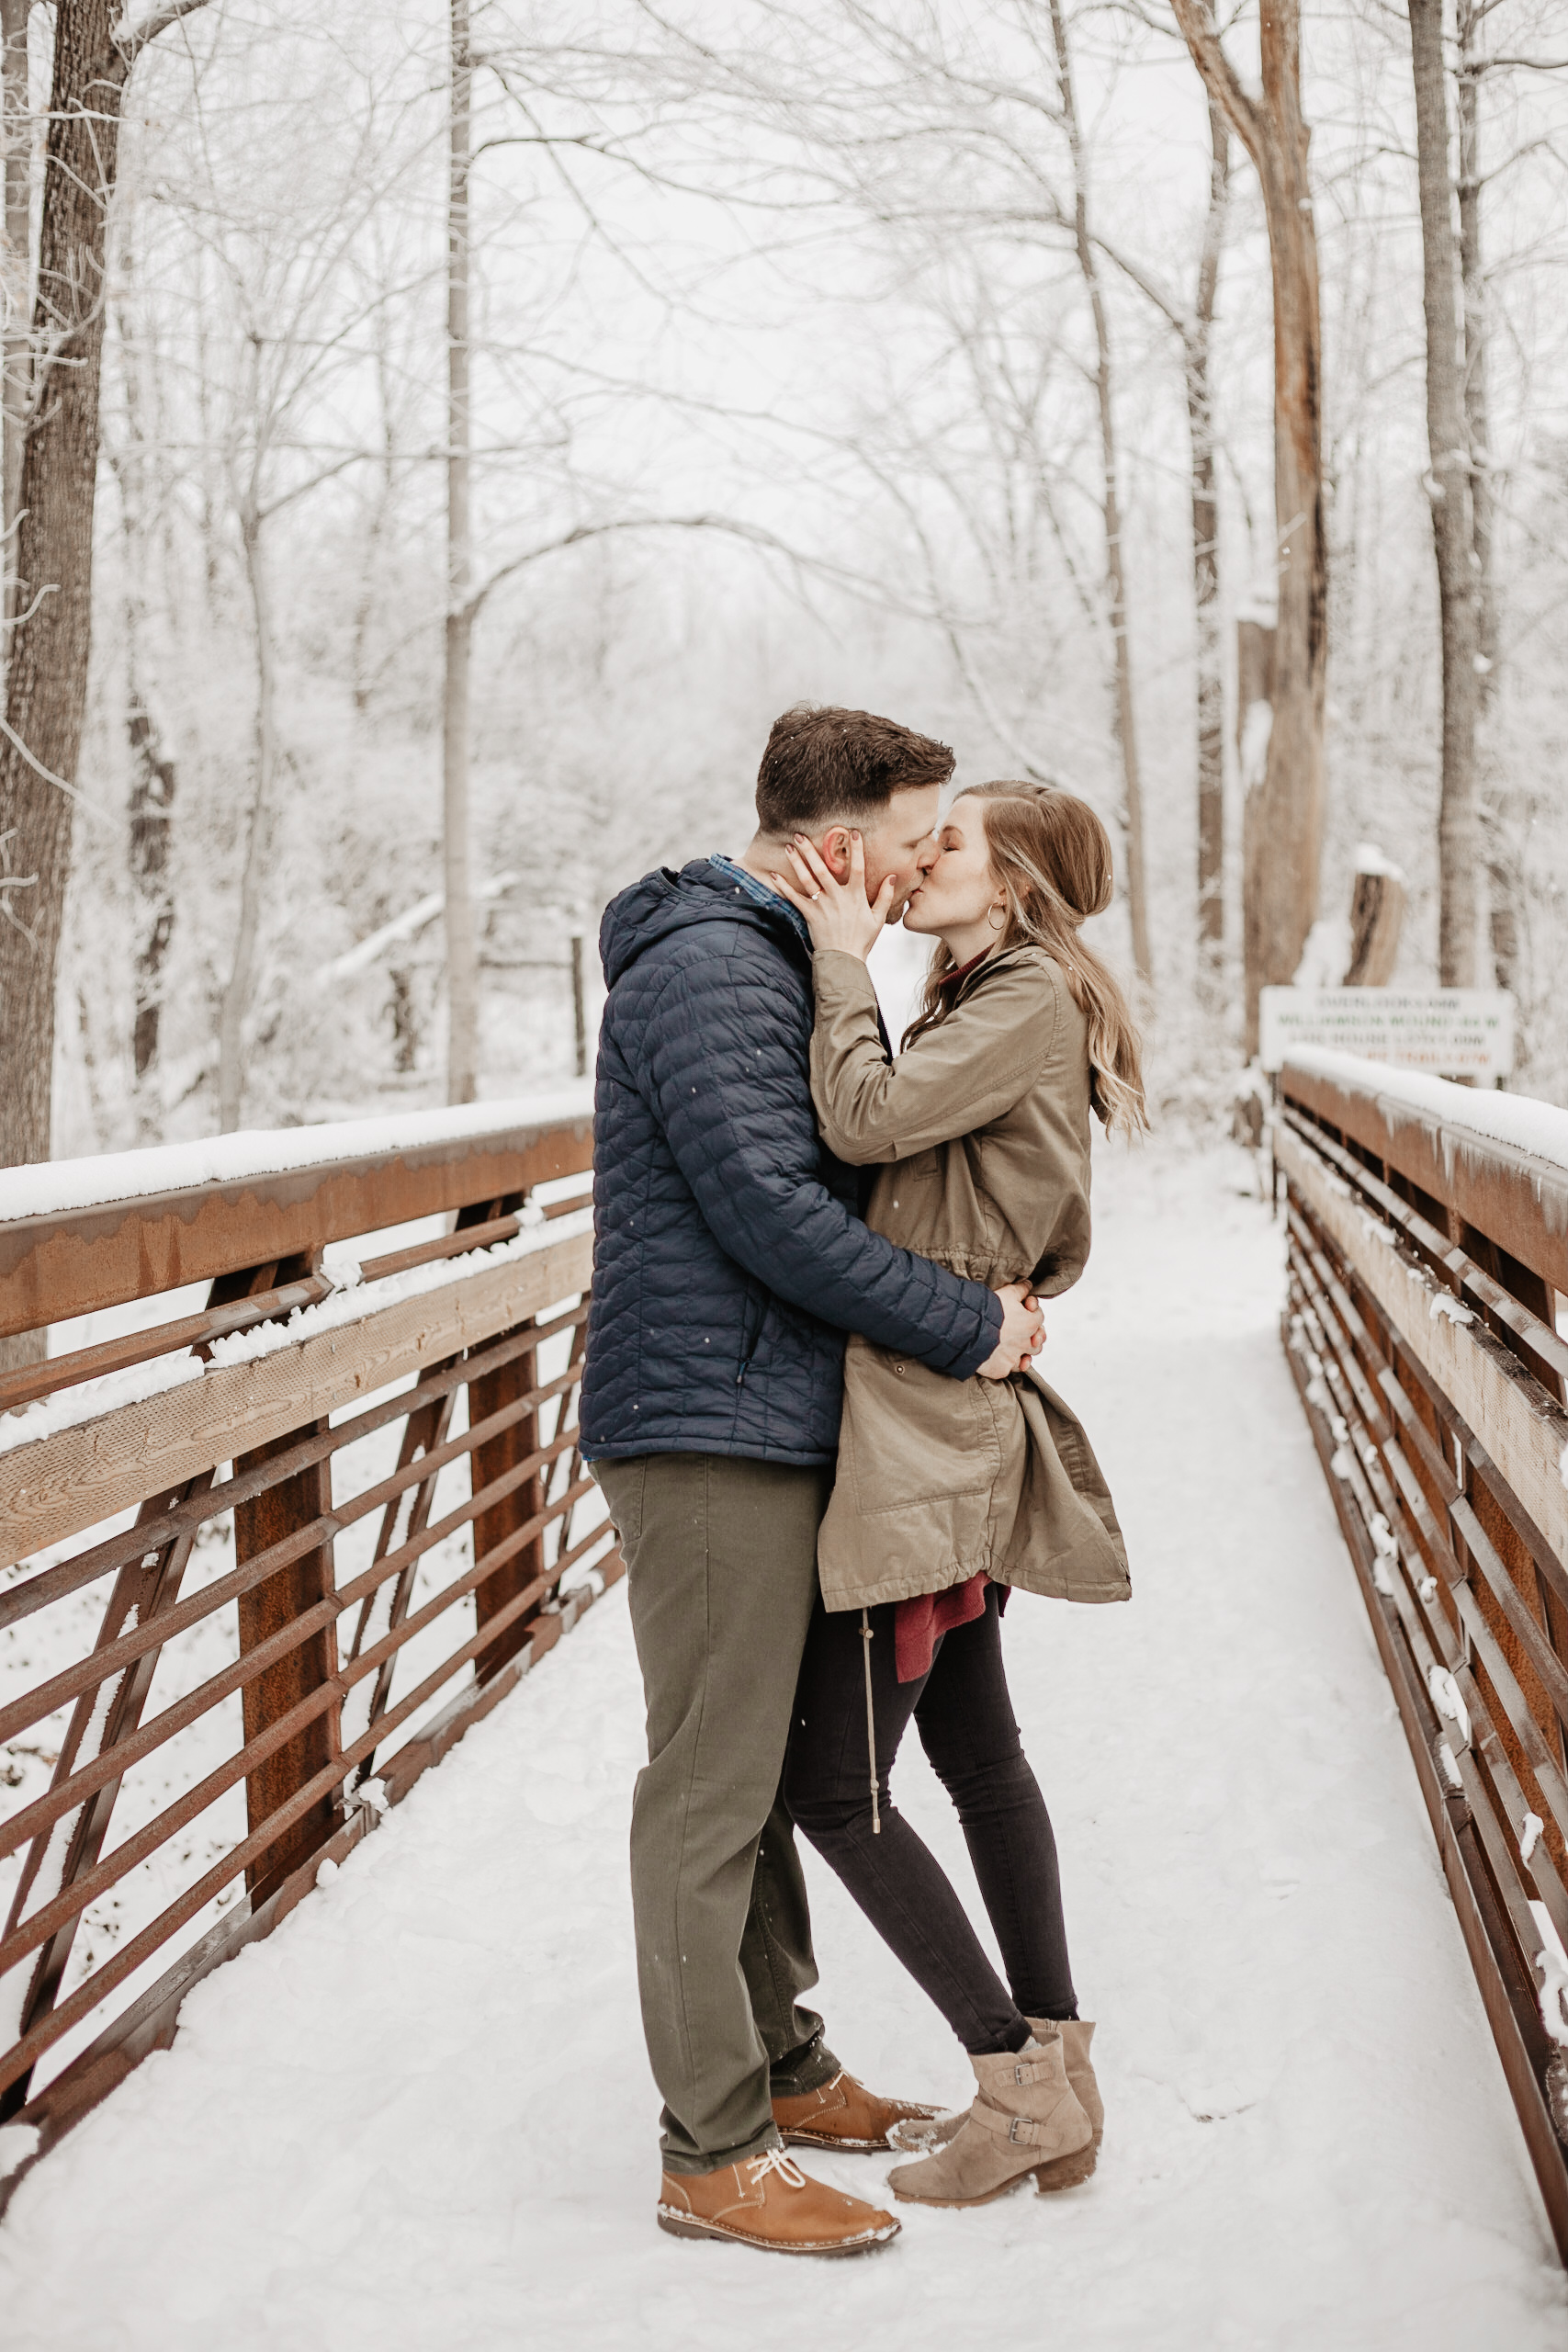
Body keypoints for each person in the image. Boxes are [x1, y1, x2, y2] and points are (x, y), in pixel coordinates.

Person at [580, 707, 1045, 2257]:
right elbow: (778, 1213)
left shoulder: (778, 958)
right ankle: (709, 2151)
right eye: (917, 842)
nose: (925, 870)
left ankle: (779, 2069)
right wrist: (973, 1326)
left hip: (763, 1414)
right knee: (707, 1790)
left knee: (768, 1773)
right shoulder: (717, 968)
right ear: (835, 845)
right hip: (707, 1429)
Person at [770, 779, 1145, 2211]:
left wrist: (835, 957)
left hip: (930, 1429)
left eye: (951, 848)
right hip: (942, 1411)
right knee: (980, 1762)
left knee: (835, 1787)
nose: (922, 859)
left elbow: (863, 1122)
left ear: (1018, 886)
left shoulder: (1023, 998)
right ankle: (1062, 2071)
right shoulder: (993, 989)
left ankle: (1015, 2084)